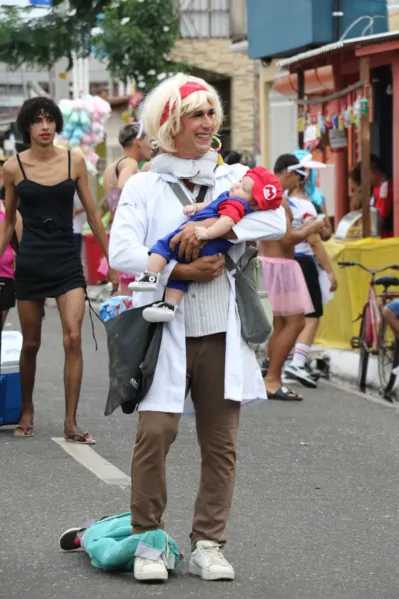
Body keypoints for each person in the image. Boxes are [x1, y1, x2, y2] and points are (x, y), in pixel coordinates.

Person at [108, 73, 287, 582]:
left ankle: (209, 543)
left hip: (218, 330)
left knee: (221, 441)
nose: (208, 123)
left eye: (212, 113)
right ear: (169, 123)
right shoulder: (144, 183)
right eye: (197, 114)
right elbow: (123, 252)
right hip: (163, 330)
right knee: (156, 434)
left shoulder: (233, 178)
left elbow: (274, 220)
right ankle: (149, 541)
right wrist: (180, 268)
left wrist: (214, 226)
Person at [0, 96, 119, 440]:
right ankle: (26, 409)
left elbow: (93, 215)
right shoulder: (12, 168)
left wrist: (111, 261)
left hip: (67, 261)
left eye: (50, 119)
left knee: (72, 337)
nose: (46, 126)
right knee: (31, 344)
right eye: (38, 120)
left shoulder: (74, 161)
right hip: (31, 262)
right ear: (27, 126)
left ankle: (71, 422)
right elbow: (9, 223)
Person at [132, 166, 283, 322]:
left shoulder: (236, 205)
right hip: (208, 250)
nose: (237, 185)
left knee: (163, 246)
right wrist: (196, 207)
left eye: (243, 188)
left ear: (255, 205)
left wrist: (207, 231)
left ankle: (150, 276)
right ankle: (169, 306)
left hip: (203, 241)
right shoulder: (232, 198)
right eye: (239, 182)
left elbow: (227, 221)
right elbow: (211, 204)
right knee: (180, 279)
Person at [260, 154, 326, 401]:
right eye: (298, 176)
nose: (299, 182)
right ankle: (273, 379)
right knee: (297, 323)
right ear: (287, 172)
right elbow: (286, 238)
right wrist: (313, 227)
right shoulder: (278, 199)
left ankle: (271, 378)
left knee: (280, 325)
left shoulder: (271, 195)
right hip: (281, 265)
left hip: (273, 264)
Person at [284, 159, 338, 387]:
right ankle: (297, 362)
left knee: (289, 317)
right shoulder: (306, 206)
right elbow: (315, 241)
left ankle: (285, 363)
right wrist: (330, 272)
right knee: (312, 316)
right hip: (304, 262)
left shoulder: (282, 203)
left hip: (284, 261)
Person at [103, 122, 154, 227]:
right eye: (150, 141)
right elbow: (123, 184)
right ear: (139, 141)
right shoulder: (130, 162)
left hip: (115, 226)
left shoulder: (110, 168)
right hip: (128, 226)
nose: (153, 147)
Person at [349, 156, 393, 238]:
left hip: (384, 239)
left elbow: (379, 220)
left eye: (365, 173)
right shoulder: (375, 189)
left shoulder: (385, 189)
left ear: (372, 173)